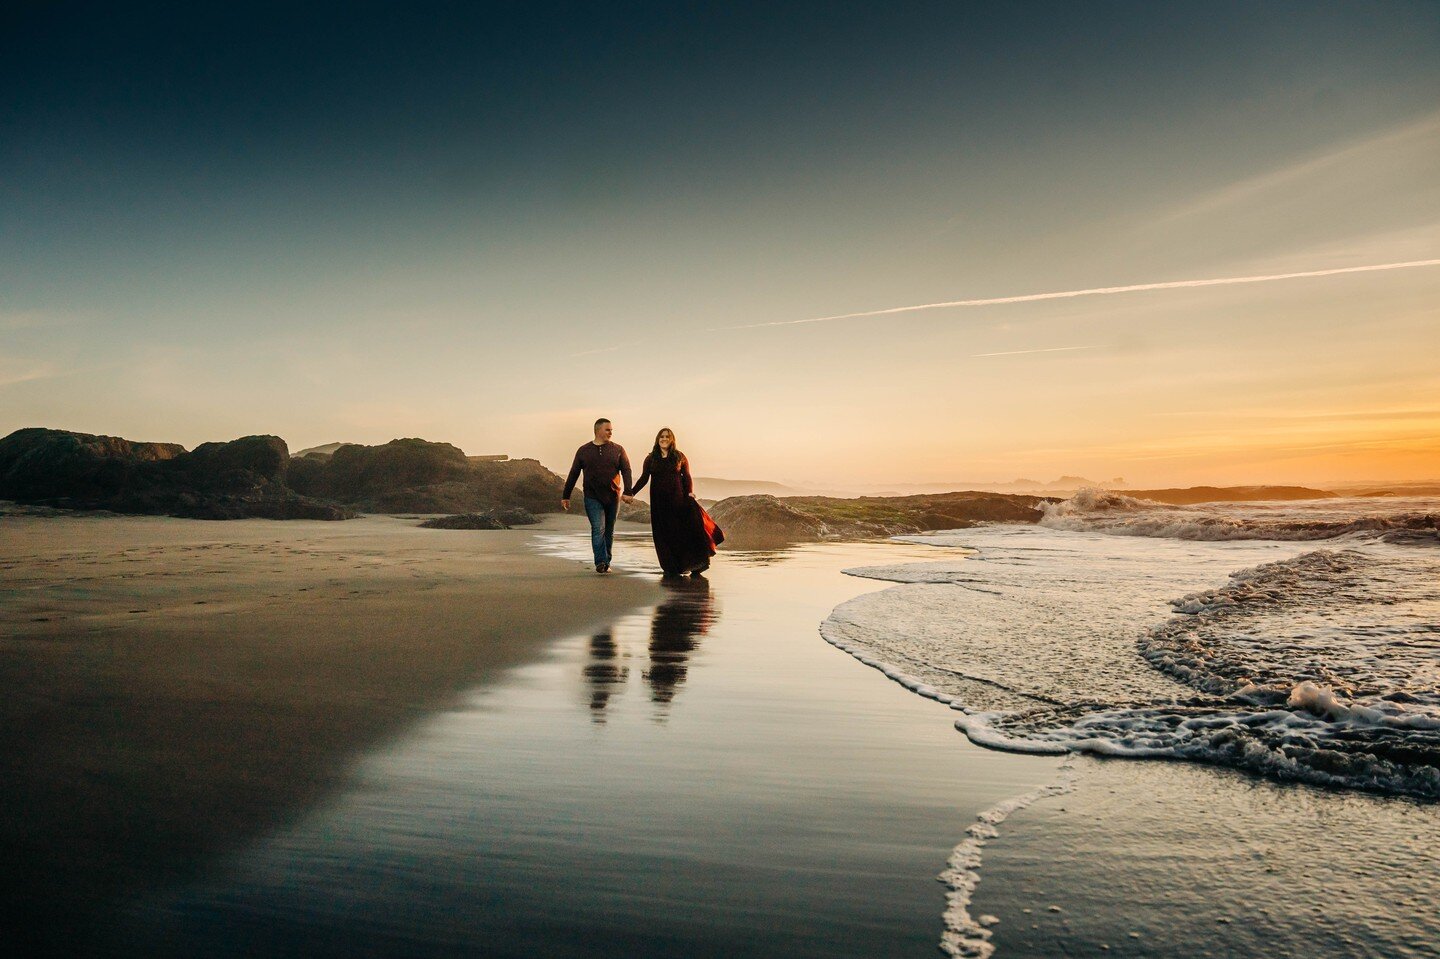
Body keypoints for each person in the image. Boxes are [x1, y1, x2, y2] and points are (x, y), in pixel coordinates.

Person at [629, 427, 724, 578]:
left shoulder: (679, 457)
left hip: (678, 500)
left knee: (683, 532)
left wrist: (690, 493)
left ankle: (696, 563)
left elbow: (686, 476)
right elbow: (644, 478)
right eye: (661, 436)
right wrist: (631, 492)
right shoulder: (651, 458)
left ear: (672, 439)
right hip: (659, 503)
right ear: (657, 439)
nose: (664, 439)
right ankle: (672, 566)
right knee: (664, 534)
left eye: (667, 436)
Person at [561, 418, 634, 574]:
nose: (610, 432)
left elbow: (626, 470)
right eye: (607, 429)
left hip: (613, 496)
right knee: (598, 528)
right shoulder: (583, 451)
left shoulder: (618, 449)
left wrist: (628, 491)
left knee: (609, 530)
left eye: (611, 430)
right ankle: (600, 562)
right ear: (598, 430)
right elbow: (573, 473)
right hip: (592, 497)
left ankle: (606, 561)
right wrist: (566, 495)